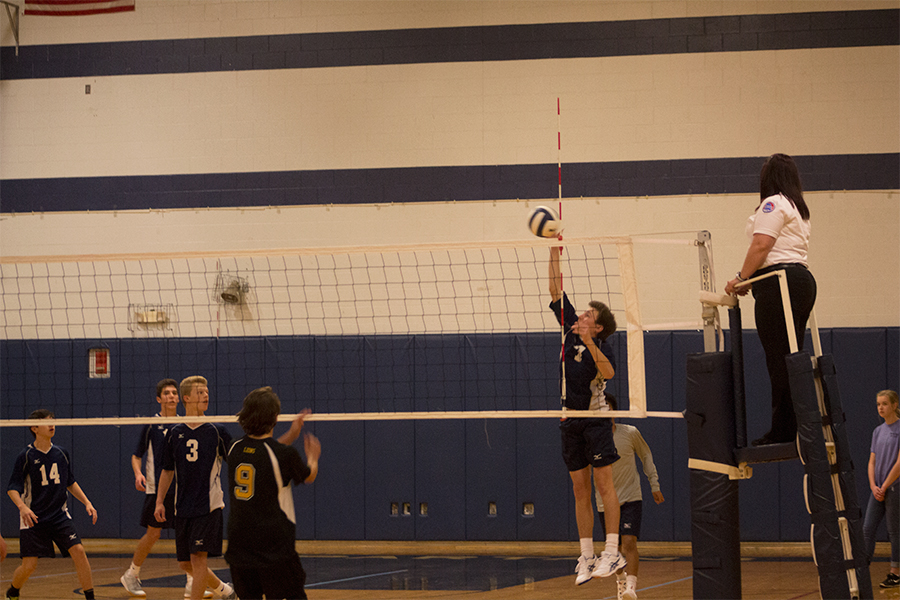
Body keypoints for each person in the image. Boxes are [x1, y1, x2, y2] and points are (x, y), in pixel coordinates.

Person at [725, 153, 816, 446]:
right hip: (800, 281)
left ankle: (785, 430)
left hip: (780, 284)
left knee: (779, 361)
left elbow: (762, 245)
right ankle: (797, 425)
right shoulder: (798, 208)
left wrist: (741, 278)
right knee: (791, 357)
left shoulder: (773, 203)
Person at [548, 246, 625, 585]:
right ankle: (586, 555)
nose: (581, 315)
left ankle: (611, 551)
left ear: (598, 326)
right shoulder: (569, 330)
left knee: (603, 485)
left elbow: (608, 375)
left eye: (588, 316)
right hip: (569, 418)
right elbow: (554, 289)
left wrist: (589, 341)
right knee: (579, 489)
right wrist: (553, 250)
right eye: (582, 313)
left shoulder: (601, 347)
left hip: (595, 418)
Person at [225, 386, 321, 600]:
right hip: (274, 547)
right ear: (275, 418)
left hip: (239, 545)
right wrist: (313, 457)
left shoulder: (234, 449)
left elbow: (262, 452)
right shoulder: (285, 455)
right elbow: (308, 476)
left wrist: (292, 435)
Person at [121, 379, 213, 599]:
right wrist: (138, 473)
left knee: (189, 537)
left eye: (174, 393)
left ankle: (192, 582)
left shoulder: (186, 423)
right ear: (159, 399)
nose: (171, 396)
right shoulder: (152, 424)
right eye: (167, 393)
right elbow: (136, 455)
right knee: (153, 534)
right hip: (157, 489)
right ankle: (131, 574)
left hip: (183, 490)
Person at [155, 376, 237, 600]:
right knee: (185, 563)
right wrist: (160, 501)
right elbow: (167, 470)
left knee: (198, 560)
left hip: (208, 506)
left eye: (207, 391)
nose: (206, 395)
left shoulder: (216, 430)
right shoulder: (174, 433)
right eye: (200, 392)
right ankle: (225, 590)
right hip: (182, 507)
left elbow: (237, 462)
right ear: (186, 398)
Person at [5, 409, 98, 600]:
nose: (51, 424)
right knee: (29, 566)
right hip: (33, 517)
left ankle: (90, 597)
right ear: (34, 428)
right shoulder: (26, 456)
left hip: (59, 515)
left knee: (79, 551)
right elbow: (12, 489)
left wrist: (87, 502)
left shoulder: (61, 453)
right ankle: (13, 590)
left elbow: (70, 482)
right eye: (46, 422)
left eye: (53, 421)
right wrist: (22, 507)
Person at [594, 394, 664, 600]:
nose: (605, 412)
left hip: (631, 496)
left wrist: (654, 484)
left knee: (629, 542)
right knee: (613, 549)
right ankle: (621, 581)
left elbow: (646, 455)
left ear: (615, 411)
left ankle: (631, 588)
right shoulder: (592, 439)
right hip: (605, 501)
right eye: (600, 408)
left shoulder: (630, 433)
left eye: (608, 407)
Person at [863, 389, 900, 589]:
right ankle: (862, 568)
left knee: (894, 531)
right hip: (877, 489)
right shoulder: (877, 431)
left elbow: (899, 463)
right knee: (867, 529)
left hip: (894, 488)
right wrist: (873, 486)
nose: (881, 408)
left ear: (894, 405)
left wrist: (885, 486)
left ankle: (895, 573)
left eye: (884, 404)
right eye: (878, 404)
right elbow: (872, 462)